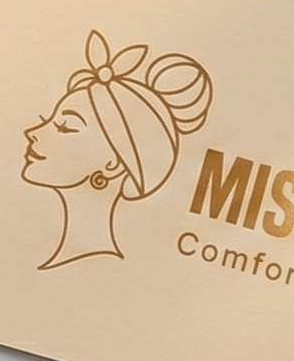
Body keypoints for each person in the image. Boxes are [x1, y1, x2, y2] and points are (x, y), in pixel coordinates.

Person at [22, 30, 212, 269]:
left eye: (64, 126)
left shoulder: (98, 270)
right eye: (48, 120)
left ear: (113, 164)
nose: (33, 132)